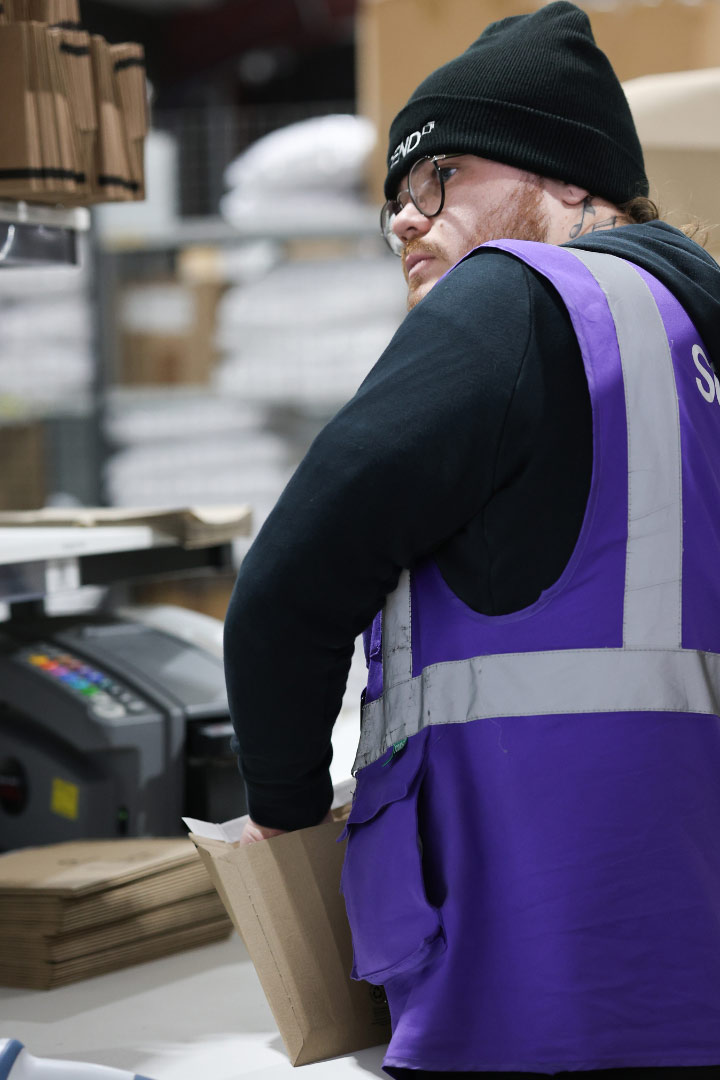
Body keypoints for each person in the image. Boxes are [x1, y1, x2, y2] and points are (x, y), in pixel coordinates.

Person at [223, 2, 720, 1076]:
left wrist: (285, 818)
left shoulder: (516, 300)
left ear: (572, 180)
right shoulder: (693, 341)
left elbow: (287, 591)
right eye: (396, 195)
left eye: (440, 174)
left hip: (532, 984)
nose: (407, 216)